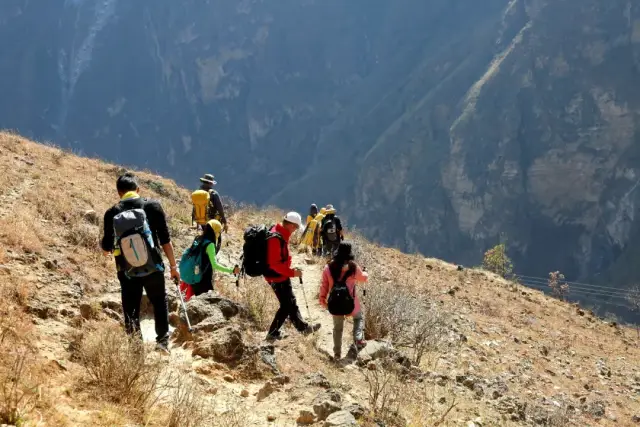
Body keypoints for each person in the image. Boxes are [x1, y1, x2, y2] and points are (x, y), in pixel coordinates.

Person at [101, 172, 179, 354]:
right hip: (154, 267)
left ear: (119, 193)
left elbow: (106, 248)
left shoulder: (112, 213)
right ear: (138, 189)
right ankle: (162, 343)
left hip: (126, 270)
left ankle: (136, 350)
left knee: (130, 308)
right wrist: (174, 267)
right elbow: (166, 240)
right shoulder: (152, 206)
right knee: (159, 301)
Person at [265, 212, 321, 341]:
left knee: (291, 301)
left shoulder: (281, 233)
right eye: (295, 227)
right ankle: (272, 333)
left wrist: (289, 270)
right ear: (290, 225)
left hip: (281, 274)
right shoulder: (275, 238)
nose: (295, 230)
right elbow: (274, 264)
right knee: (286, 306)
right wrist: (292, 273)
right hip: (276, 276)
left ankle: (302, 328)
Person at [319, 242, 368, 360]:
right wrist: (366, 272)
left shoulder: (328, 268)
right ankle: (358, 339)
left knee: (337, 328)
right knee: (358, 318)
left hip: (335, 303)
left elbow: (324, 286)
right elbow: (364, 278)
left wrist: (322, 300)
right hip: (350, 303)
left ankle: (337, 354)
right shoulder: (353, 267)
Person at [180, 219, 240, 300]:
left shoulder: (198, 238)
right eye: (219, 232)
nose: (219, 234)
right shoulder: (210, 245)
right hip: (200, 278)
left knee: (184, 297)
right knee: (195, 301)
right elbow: (214, 265)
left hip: (190, 272)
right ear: (214, 231)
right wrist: (231, 270)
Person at [193, 173, 228, 238]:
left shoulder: (197, 192)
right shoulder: (213, 193)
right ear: (211, 183)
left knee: (205, 233)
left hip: (199, 219)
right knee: (213, 236)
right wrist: (225, 222)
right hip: (211, 220)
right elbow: (220, 208)